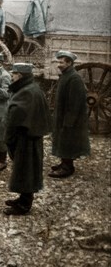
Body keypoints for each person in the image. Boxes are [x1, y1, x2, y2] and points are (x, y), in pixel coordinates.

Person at [4, 63, 51, 215]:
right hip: (31, 136)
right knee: (25, 169)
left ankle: (24, 205)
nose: (12, 75)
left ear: (21, 75)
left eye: (15, 73)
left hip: (26, 137)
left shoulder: (27, 92)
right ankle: (23, 197)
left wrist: (9, 137)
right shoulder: (31, 88)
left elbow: (16, 115)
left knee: (26, 170)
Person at [49, 50, 90, 178]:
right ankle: (64, 162)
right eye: (58, 62)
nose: (58, 65)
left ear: (69, 63)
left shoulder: (74, 78)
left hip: (70, 119)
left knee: (68, 141)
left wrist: (69, 121)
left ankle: (68, 167)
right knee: (62, 140)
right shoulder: (66, 75)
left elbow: (75, 103)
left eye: (61, 62)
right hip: (63, 116)